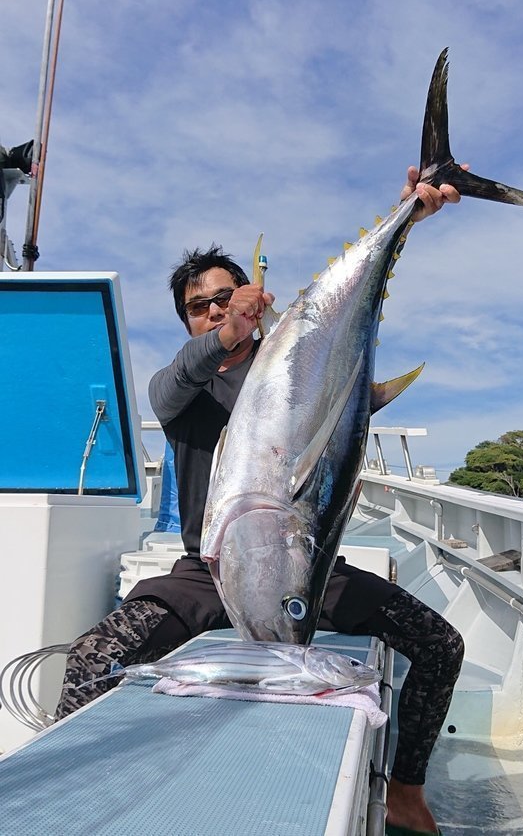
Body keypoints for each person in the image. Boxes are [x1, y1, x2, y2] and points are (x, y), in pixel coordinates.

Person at [55, 169, 465, 836]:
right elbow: (165, 390)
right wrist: (225, 339)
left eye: (226, 297)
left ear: (253, 299)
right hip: (206, 568)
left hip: (303, 560)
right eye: (200, 306)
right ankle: (80, 795)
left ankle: (407, 791)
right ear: (188, 321)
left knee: (442, 644)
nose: (216, 309)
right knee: (89, 658)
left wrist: (408, 216)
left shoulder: (290, 374)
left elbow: (334, 356)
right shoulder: (183, 386)